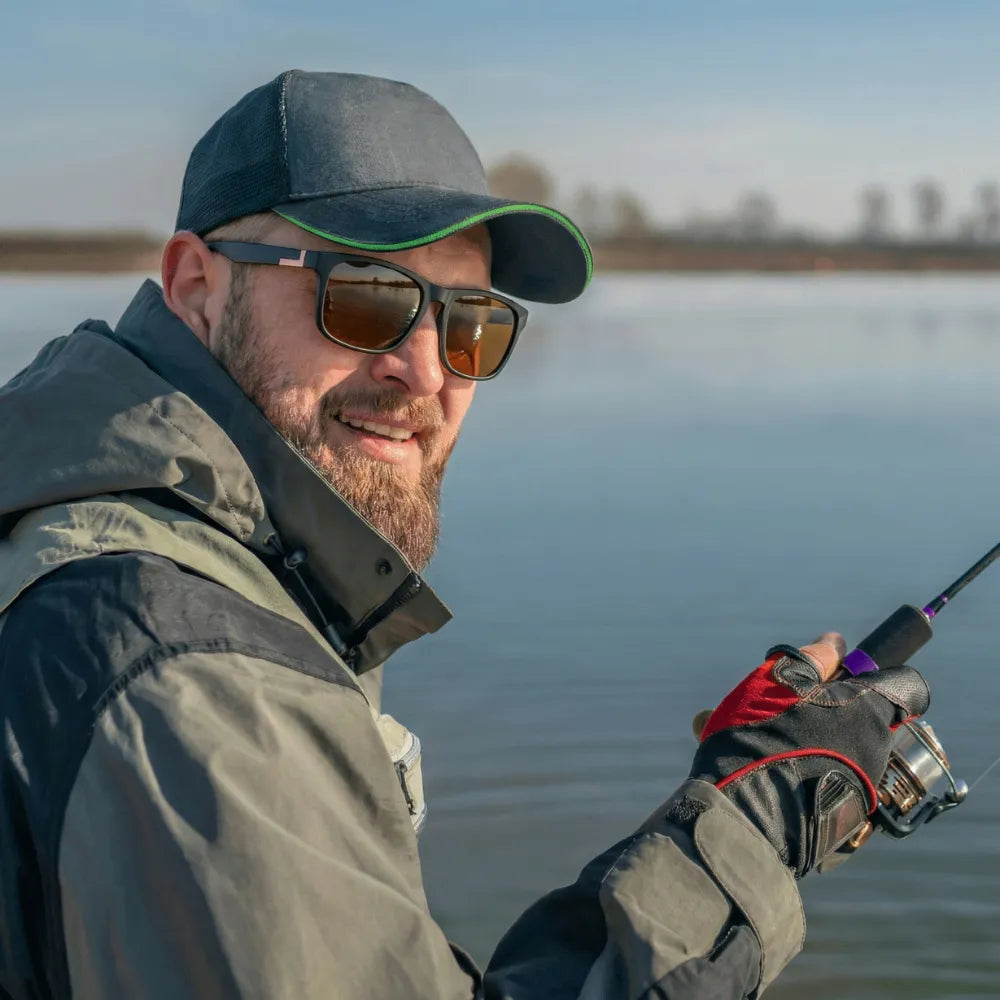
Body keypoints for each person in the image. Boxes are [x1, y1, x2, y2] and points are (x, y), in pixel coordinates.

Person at [0, 70, 929, 999]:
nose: (425, 370)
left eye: (470, 324)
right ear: (197, 285)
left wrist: (742, 795)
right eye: (365, 296)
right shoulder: (192, 680)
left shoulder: (103, 539)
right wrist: (754, 827)